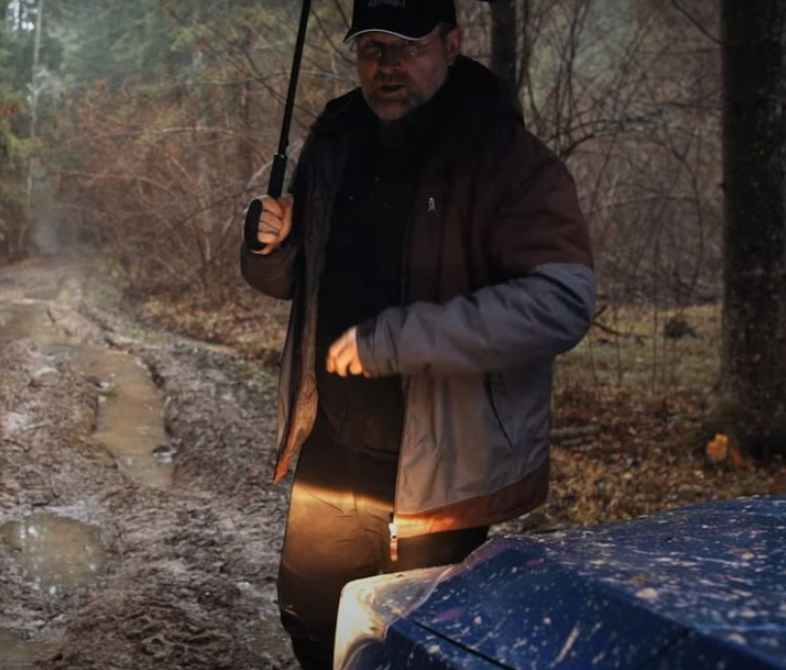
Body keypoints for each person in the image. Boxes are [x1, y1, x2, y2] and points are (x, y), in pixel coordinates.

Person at [240, 1, 595, 667]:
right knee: (311, 614)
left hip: (441, 461)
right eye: (371, 47)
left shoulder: (501, 156)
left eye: (408, 46)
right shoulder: (335, 139)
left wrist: (406, 337)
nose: (387, 65)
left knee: (415, 642)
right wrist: (270, 248)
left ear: (451, 45)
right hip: (332, 443)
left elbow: (562, 301)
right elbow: (294, 279)